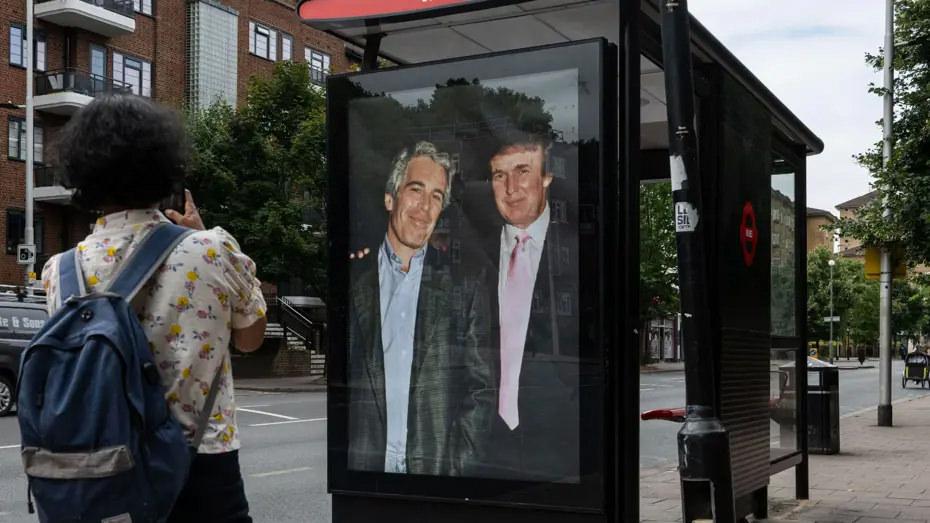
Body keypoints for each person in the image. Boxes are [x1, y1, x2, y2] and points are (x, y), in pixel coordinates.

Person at [41, 95, 266, 522]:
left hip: (104, 467)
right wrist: (205, 236)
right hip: (202, 464)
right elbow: (251, 339)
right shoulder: (210, 250)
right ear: (164, 166)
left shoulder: (60, 270)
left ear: (81, 174)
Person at [347, 141, 491, 476]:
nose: (425, 207)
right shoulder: (354, 281)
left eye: (436, 196)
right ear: (390, 198)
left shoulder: (465, 286)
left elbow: (481, 390)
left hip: (435, 475)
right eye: (416, 189)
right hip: (367, 475)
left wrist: (455, 472)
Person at [482, 132, 579, 481]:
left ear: (547, 176)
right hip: (485, 445)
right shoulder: (474, 250)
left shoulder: (577, 249)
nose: (511, 188)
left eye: (523, 171)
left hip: (559, 443)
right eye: (499, 175)